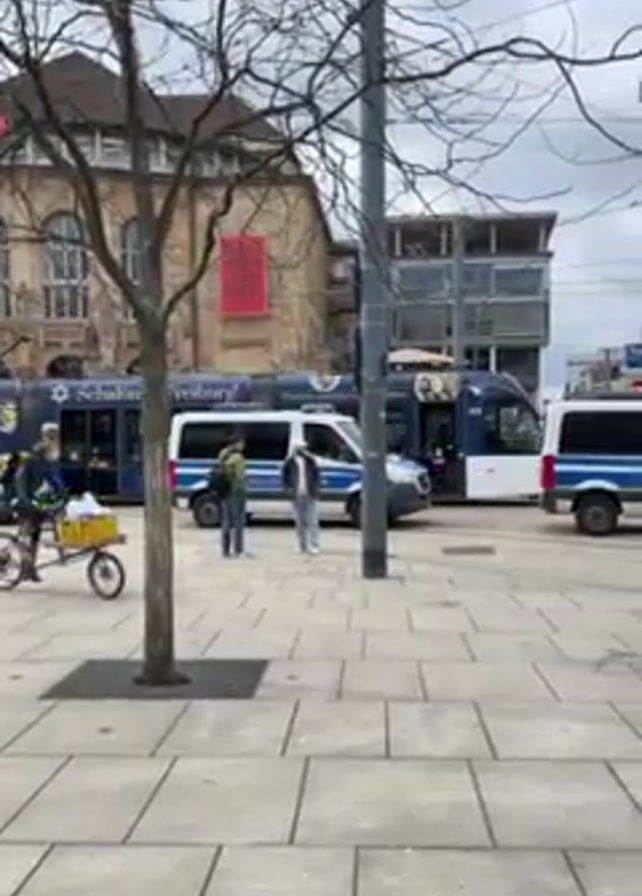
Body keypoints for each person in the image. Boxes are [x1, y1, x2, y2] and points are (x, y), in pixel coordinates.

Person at [15, 423, 65, 581]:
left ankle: (31, 569)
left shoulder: (45, 461)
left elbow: (52, 478)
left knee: (35, 537)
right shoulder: (31, 459)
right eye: (51, 436)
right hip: (25, 504)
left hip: (38, 502)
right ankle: (24, 567)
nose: (53, 440)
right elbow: (20, 480)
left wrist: (63, 493)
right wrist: (25, 501)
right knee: (25, 536)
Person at [282, 439, 321, 554]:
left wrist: (316, 488)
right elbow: (284, 477)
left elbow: (317, 475)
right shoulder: (289, 462)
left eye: (304, 448)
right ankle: (302, 545)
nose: (303, 450)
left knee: (312, 520)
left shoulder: (311, 461)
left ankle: (314, 544)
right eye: (300, 448)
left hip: (310, 493)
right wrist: (288, 489)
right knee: (299, 522)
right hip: (296, 495)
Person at [216, 432, 247, 558]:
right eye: (241, 443)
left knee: (226, 521)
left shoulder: (222, 454)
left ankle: (225, 550)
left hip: (224, 491)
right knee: (238, 521)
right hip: (236, 492)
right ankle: (238, 550)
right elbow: (240, 476)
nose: (243, 445)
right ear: (236, 443)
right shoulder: (238, 458)